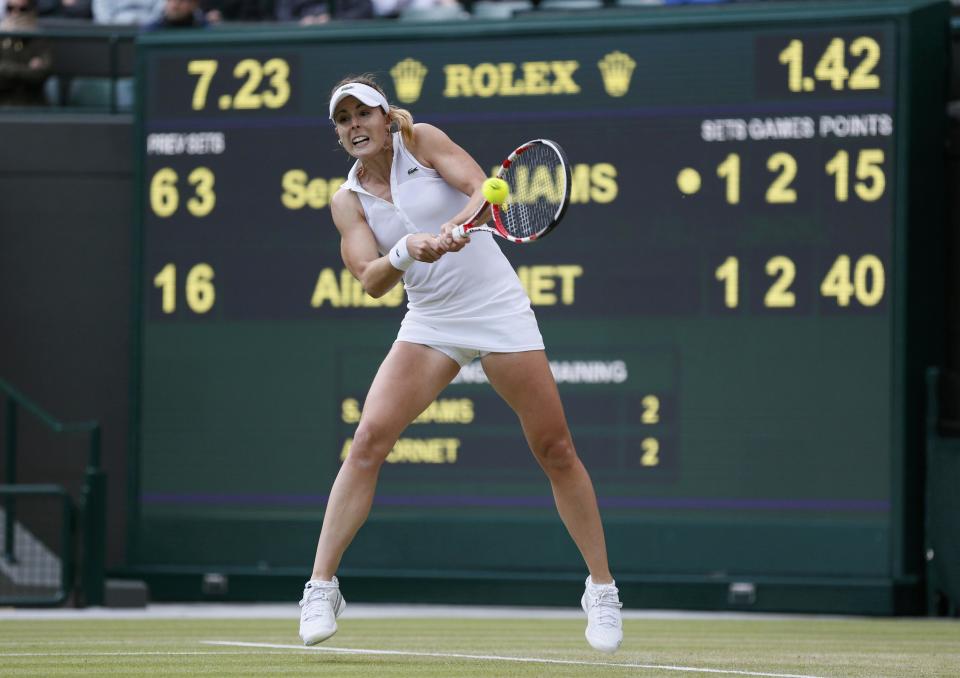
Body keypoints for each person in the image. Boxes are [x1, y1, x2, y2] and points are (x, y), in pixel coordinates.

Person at [297, 75, 624, 654]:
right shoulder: (345, 200)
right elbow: (371, 280)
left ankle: (601, 590)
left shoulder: (421, 140)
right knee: (369, 439)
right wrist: (406, 248)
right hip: (430, 321)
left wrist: (456, 224)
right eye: (343, 118)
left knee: (556, 449)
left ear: (384, 116)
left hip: (495, 307)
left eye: (362, 114)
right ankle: (321, 587)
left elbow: (485, 186)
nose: (354, 125)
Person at [0, 0, 51, 108]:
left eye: (22, 9)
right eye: (10, 8)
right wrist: (26, 68)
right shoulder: (1, 36)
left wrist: (6, 68)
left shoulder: (40, 38)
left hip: (32, 105)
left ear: (32, 11)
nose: (15, 13)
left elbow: (41, 74)